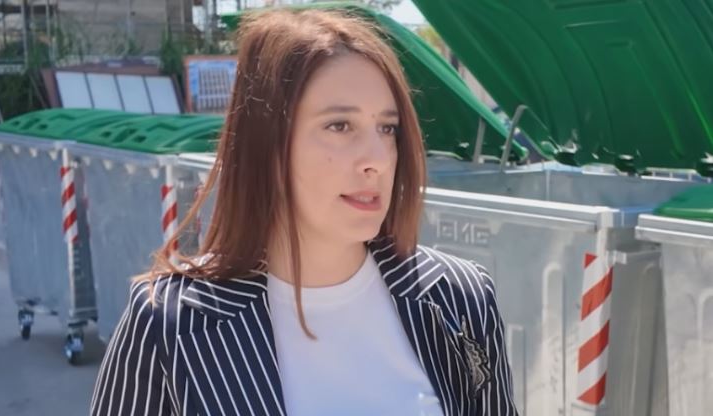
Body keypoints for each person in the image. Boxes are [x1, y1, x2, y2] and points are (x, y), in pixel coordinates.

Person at [90, 7, 518, 416]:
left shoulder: (459, 298)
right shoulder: (170, 324)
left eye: (387, 128)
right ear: (269, 146)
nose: (377, 159)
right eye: (340, 126)